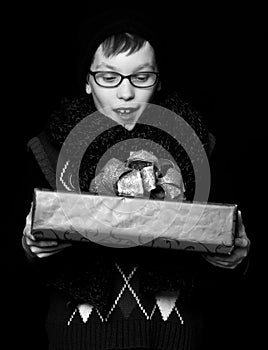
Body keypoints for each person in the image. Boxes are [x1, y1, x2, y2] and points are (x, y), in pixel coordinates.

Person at [21, 9, 250, 350]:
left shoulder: (200, 149)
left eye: (141, 78)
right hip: (80, 336)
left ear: (158, 81)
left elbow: (226, 257)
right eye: (109, 78)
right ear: (88, 81)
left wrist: (237, 258)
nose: (125, 93)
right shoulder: (49, 150)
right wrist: (29, 247)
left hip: (177, 336)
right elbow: (14, 270)